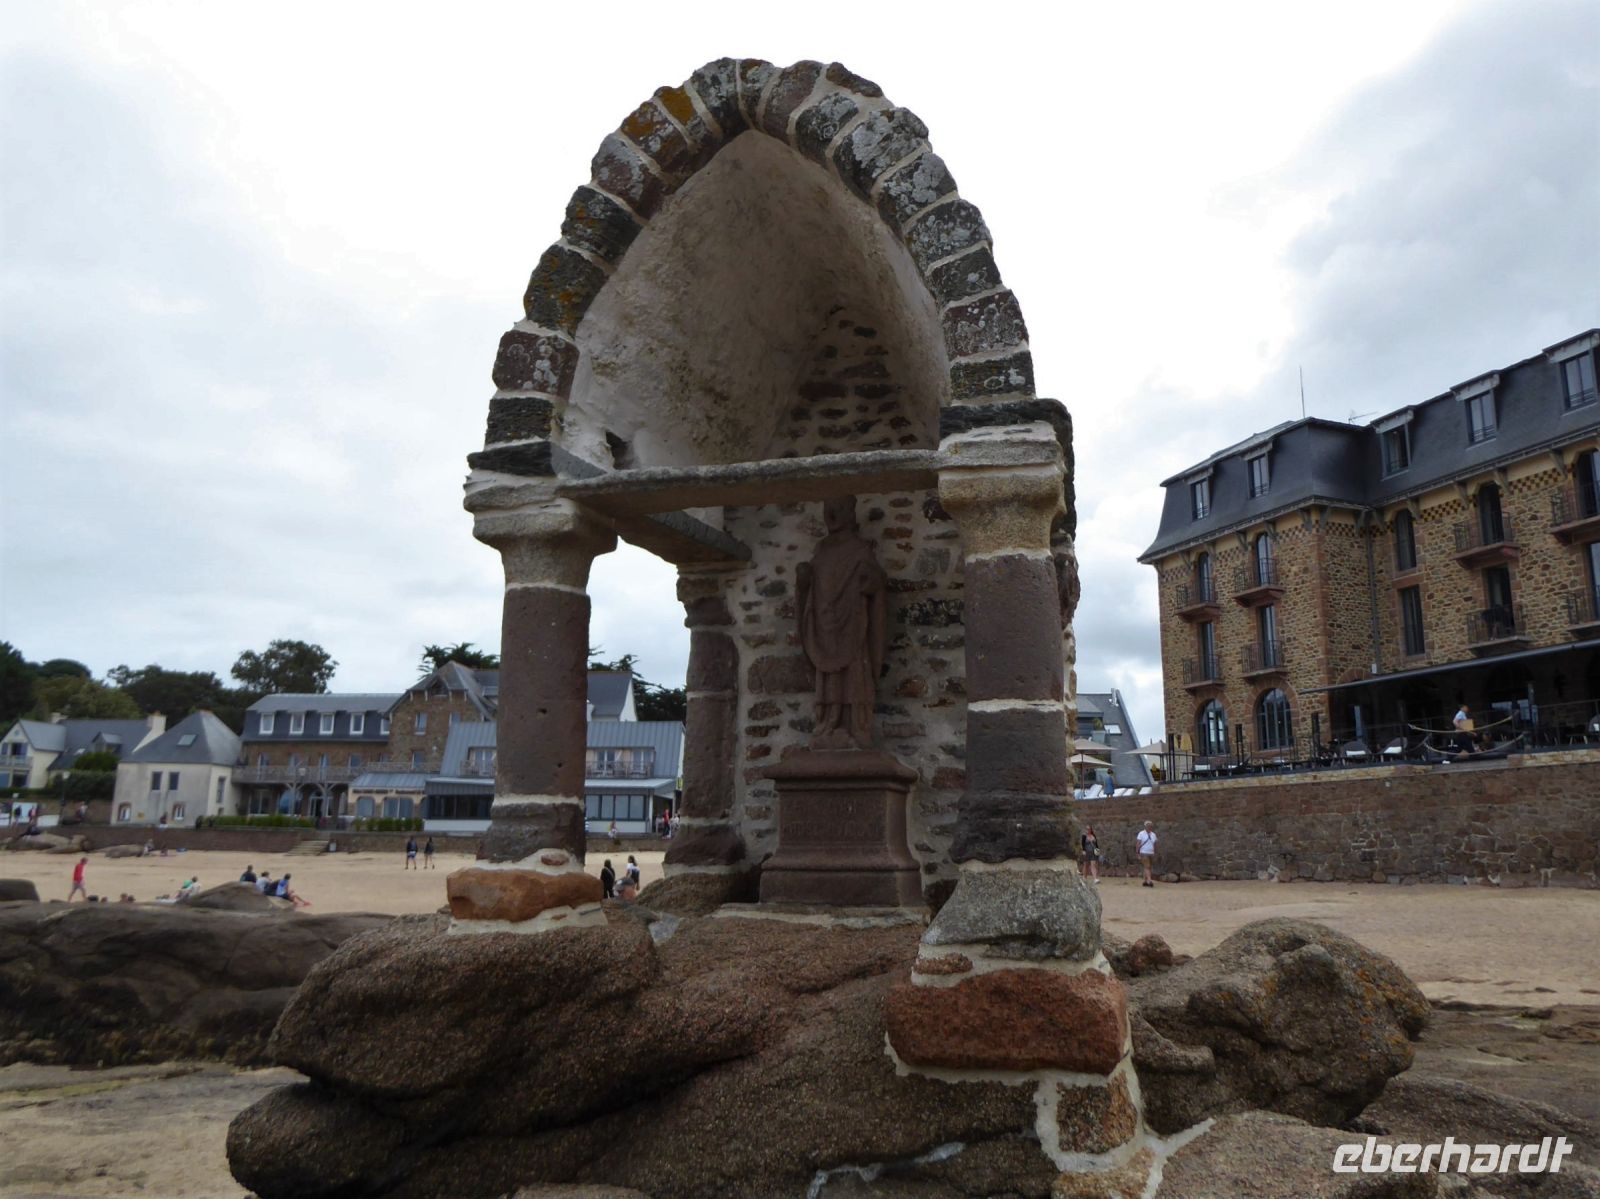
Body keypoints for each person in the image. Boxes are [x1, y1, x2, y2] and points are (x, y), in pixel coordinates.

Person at [1136, 821, 1158, 887]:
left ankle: (1145, 881)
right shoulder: (1141, 833)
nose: (1149, 827)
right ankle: (1149, 881)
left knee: (1148, 867)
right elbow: (1138, 844)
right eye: (1148, 826)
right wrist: (1137, 853)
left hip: (1151, 853)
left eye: (1150, 826)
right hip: (1144, 852)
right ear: (1145, 826)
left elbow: (1155, 844)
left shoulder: (1153, 834)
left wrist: (1155, 852)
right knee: (1147, 866)